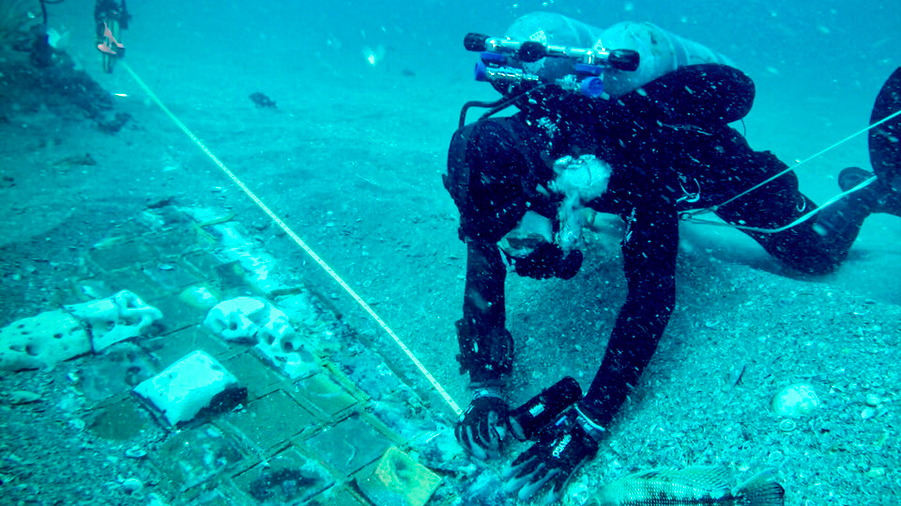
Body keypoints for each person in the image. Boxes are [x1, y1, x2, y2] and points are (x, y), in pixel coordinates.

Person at [443, 12, 900, 504]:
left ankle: (870, 192)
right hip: (608, 186)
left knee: (817, 252)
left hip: (711, 165)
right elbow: (483, 252)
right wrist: (486, 385)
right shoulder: (507, 161)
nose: (513, 242)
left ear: (548, 186)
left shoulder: (631, 155)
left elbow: (652, 296)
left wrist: (591, 418)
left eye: (517, 228)